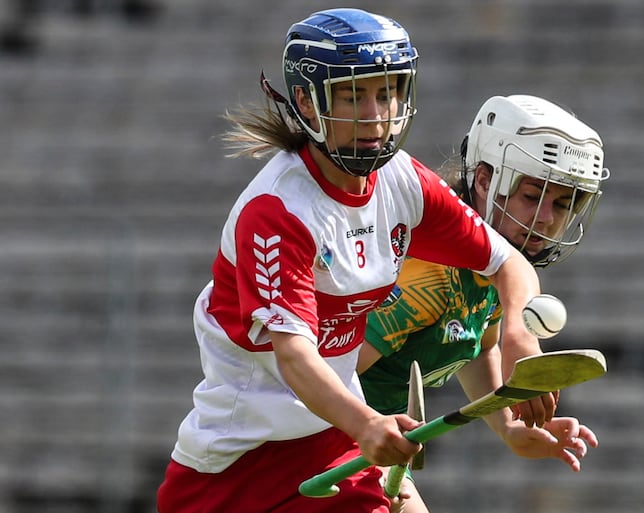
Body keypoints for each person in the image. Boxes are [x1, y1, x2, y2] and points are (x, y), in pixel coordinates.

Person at [155, 10, 554, 513]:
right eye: (353, 95)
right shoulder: (280, 211)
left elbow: (507, 264)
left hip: (333, 439)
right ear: (306, 100)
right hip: (238, 464)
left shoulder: (403, 181)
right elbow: (296, 356)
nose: (375, 114)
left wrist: (519, 333)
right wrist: (367, 424)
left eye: (387, 93)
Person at [358, 94, 611, 512]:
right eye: (533, 197)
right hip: (314, 444)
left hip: (362, 445)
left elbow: (481, 348)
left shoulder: (494, 270)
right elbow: (324, 376)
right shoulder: (430, 277)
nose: (546, 218)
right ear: (484, 181)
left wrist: (508, 425)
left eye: (562, 204)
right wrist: (362, 430)